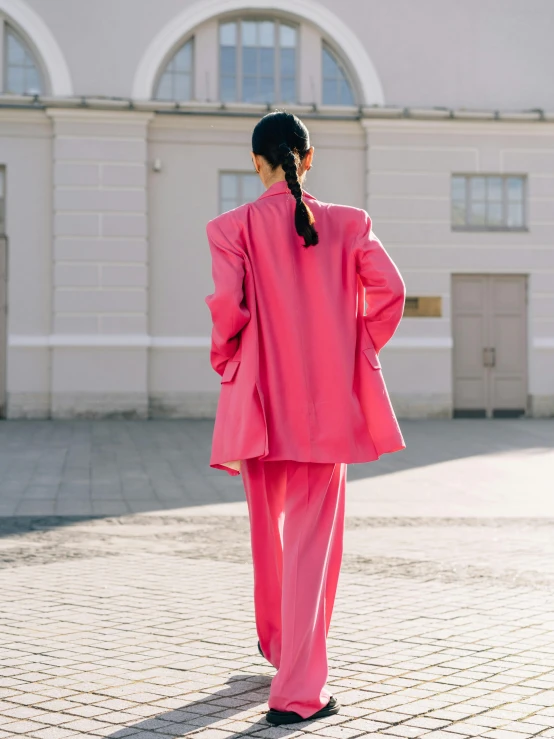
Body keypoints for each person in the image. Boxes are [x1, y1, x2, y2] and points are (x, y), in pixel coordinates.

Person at [205, 110, 405, 725]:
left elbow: (227, 313)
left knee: (269, 539)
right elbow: (390, 294)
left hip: (260, 407)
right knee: (313, 548)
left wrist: (231, 363)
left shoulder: (229, 227)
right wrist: (355, 348)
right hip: (324, 411)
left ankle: (280, 647)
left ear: (255, 160)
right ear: (308, 158)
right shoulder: (349, 224)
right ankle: (296, 693)